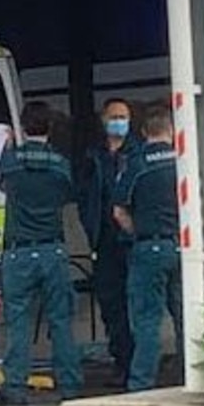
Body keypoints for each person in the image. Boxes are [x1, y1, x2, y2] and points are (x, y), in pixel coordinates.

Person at [0, 101, 83, 406]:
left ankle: (15, 387)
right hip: (53, 251)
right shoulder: (60, 164)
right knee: (61, 320)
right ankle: (70, 386)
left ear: (22, 126)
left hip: (19, 254)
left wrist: (7, 147)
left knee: (17, 321)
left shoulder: (11, 163)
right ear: (51, 127)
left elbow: (1, 182)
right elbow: (69, 194)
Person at [113, 106, 180, 393]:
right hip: (181, 246)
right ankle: (192, 375)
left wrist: (138, 231)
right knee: (186, 313)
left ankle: (141, 383)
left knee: (147, 319)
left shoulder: (136, 165)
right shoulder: (185, 162)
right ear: (172, 130)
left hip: (148, 246)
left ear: (143, 132)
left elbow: (119, 212)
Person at [77, 98, 140, 388]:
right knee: (111, 305)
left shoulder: (137, 153)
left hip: (132, 240)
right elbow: (85, 197)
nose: (119, 122)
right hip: (104, 240)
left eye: (123, 117)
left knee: (137, 304)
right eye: (114, 116)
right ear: (104, 120)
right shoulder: (94, 156)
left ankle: (137, 365)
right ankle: (121, 361)